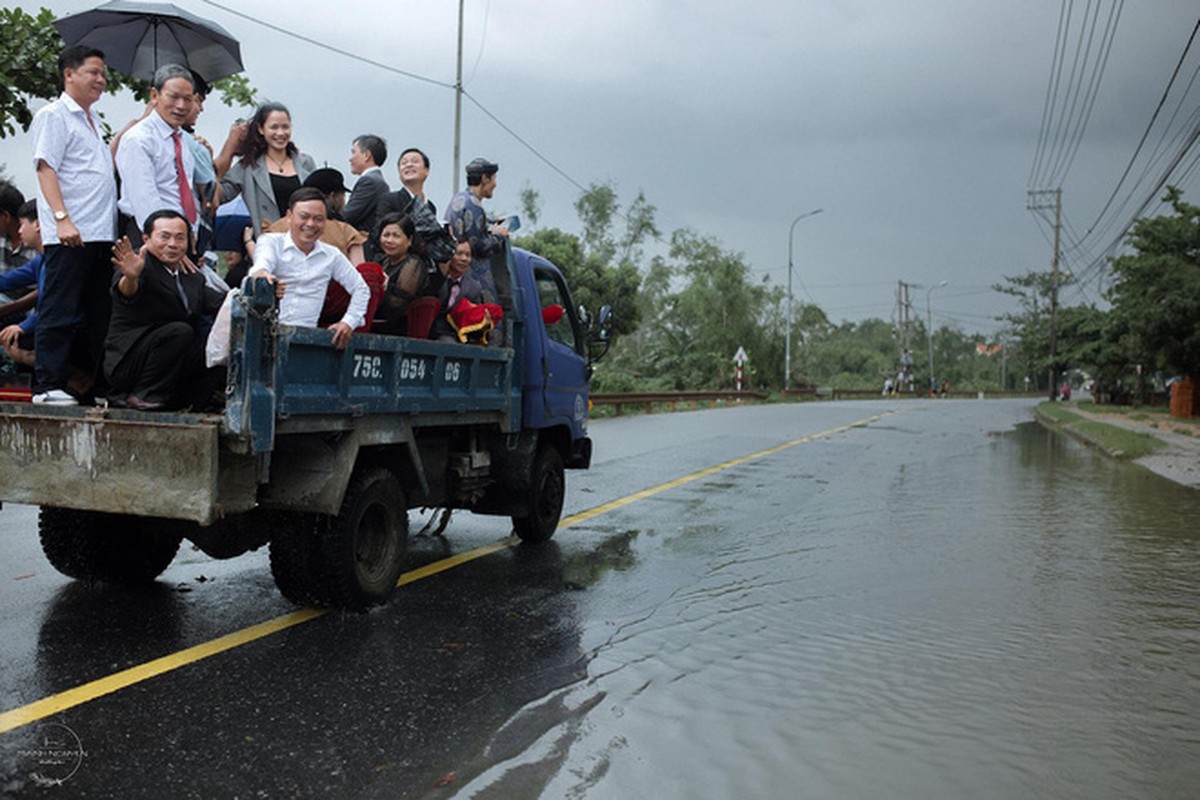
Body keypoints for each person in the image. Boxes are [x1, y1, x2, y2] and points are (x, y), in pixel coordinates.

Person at [30, 44, 119, 406]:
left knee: (100, 313)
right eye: (93, 72)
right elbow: (45, 167)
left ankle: (93, 387)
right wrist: (62, 219)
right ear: (69, 73)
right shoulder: (55, 115)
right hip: (71, 233)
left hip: (101, 232)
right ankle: (46, 385)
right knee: (59, 308)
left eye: (103, 73)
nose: (101, 79)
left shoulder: (92, 120)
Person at [105, 210, 227, 411]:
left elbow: (222, 303)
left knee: (218, 341)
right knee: (180, 330)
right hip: (130, 361)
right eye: (164, 236)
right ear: (146, 239)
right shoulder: (137, 264)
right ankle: (143, 395)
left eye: (180, 238)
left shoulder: (193, 278)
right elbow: (126, 294)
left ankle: (192, 402)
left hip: (171, 365)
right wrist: (131, 277)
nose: (172, 244)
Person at [247, 187, 370, 349]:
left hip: (305, 341)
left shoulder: (331, 255)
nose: (310, 224)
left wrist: (348, 322)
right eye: (304, 217)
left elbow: (361, 288)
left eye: (318, 219)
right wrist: (263, 275)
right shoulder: (271, 242)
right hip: (263, 338)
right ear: (289, 217)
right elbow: (262, 264)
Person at [114, 64, 199, 246]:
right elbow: (144, 198)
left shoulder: (182, 139)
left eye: (188, 99)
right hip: (150, 234)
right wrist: (166, 239)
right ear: (154, 96)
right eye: (174, 97)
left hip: (179, 234)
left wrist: (191, 232)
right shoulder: (138, 139)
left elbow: (186, 191)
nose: (181, 106)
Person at [215, 102, 316, 240]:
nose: (280, 133)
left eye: (285, 127)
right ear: (261, 129)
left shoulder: (306, 163)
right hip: (269, 243)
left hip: (305, 242)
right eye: (274, 127)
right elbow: (218, 195)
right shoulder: (247, 167)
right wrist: (229, 148)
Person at [370, 147, 452, 263]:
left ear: (426, 171)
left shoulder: (430, 206)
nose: (408, 165)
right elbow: (379, 234)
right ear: (399, 173)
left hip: (424, 266)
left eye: (414, 161)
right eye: (404, 163)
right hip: (397, 264)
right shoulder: (389, 200)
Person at [444, 157, 508, 302]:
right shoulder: (474, 205)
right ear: (485, 178)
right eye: (494, 179)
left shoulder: (459, 198)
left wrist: (490, 220)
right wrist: (500, 236)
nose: (495, 184)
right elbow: (479, 246)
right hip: (472, 276)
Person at [371, 212, 438, 335]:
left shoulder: (413, 263)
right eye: (386, 235)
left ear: (409, 240)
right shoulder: (382, 260)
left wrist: (384, 287)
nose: (389, 240)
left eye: (396, 236)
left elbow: (398, 304)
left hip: (401, 330)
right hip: (379, 324)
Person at [0, 181, 37, 328]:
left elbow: (45, 290)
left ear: (6, 216)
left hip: (29, 308)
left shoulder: (36, 245)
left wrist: (10, 308)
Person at [343, 134, 389, 231]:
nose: (350, 158)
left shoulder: (369, 182)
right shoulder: (377, 180)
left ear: (366, 155)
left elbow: (347, 216)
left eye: (354, 152)